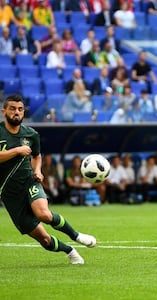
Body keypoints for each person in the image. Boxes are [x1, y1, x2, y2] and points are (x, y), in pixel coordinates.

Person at [0, 94, 96, 265]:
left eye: (20, 109)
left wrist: (38, 170)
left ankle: (76, 235)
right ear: (4, 111)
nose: (17, 112)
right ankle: (69, 250)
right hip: (9, 195)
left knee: (43, 214)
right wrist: (17, 151)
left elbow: (37, 156)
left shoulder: (31, 135)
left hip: (29, 182)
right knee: (44, 240)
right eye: (13, 109)